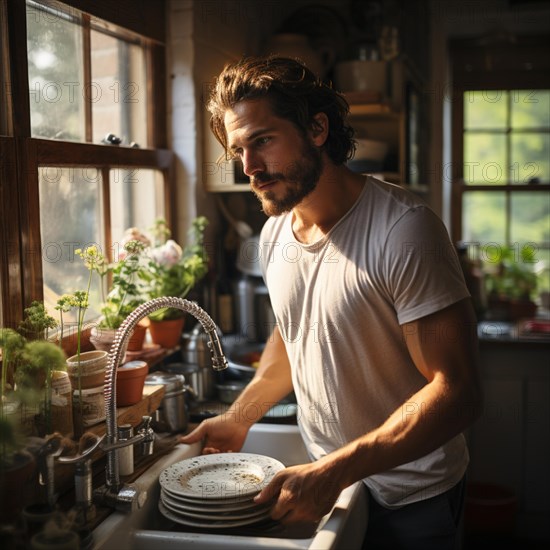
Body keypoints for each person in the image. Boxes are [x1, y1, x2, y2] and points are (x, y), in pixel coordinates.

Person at [180, 56, 483, 549]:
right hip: (338, 489)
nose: (250, 168)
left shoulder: (404, 229)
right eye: (238, 150)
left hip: (411, 498)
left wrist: (333, 470)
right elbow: (294, 334)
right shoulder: (275, 232)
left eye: (262, 141)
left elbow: (458, 392)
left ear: (317, 128)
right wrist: (240, 416)